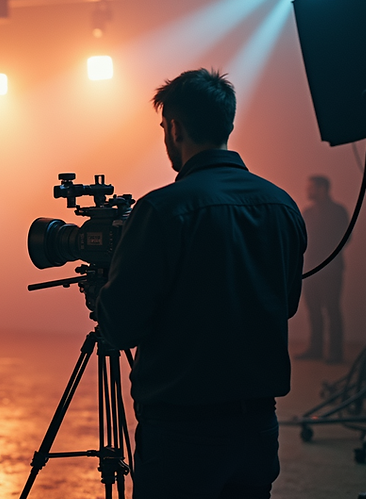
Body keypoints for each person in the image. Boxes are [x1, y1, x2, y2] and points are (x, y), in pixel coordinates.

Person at [95, 69, 306, 498]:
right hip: (257, 426)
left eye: (163, 128)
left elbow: (121, 326)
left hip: (181, 431)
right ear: (227, 122)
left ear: (174, 128)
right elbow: (284, 304)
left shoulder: (162, 209)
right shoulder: (281, 205)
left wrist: (102, 295)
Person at [298, 175, 348, 363]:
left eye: (311, 187)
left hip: (331, 270)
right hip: (311, 269)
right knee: (314, 310)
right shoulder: (308, 212)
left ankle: (335, 352)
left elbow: (344, 238)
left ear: (322, 188)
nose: (307, 191)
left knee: (332, 310)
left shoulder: (338, 211)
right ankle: (316, 348)